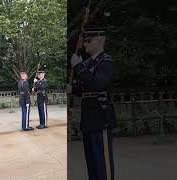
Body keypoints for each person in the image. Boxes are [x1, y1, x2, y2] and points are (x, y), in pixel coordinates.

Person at [71, 27, 116, 180]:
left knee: (103, 162)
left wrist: (78, 66)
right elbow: (85, 87)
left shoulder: (106, 61)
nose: (85, 45)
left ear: (100, 41)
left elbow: (98, 84)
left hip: (100, 116)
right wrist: (73, 88)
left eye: (88, 41)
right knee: (92, 161)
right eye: (84, 42)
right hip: (88, 117)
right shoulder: (88, 63)